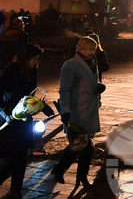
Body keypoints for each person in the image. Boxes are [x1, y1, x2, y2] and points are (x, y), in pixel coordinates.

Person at [0, 44, 45, 199]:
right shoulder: (8, 71)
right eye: (34, 59)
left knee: (22, 158)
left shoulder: (32, 72)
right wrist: (6, 115)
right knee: (12, 158)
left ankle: (16, 190)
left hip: (24, 121)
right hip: (9, 121)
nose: (36, 62)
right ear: (26, 57)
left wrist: (41, 106)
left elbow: (30, 95)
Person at [51, 37, 102, 188]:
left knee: (80, 146)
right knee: (83, 146)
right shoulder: (70, 65)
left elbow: (92, 82)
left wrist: (99, 90)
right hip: (77, 111)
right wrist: (65, 110)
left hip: (90, 108)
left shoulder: (93, 63)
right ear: (80, 49)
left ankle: (63, 171)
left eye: (94, 50)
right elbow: (64, 90)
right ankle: (78, 176)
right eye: (90, 50)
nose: (93, 53)